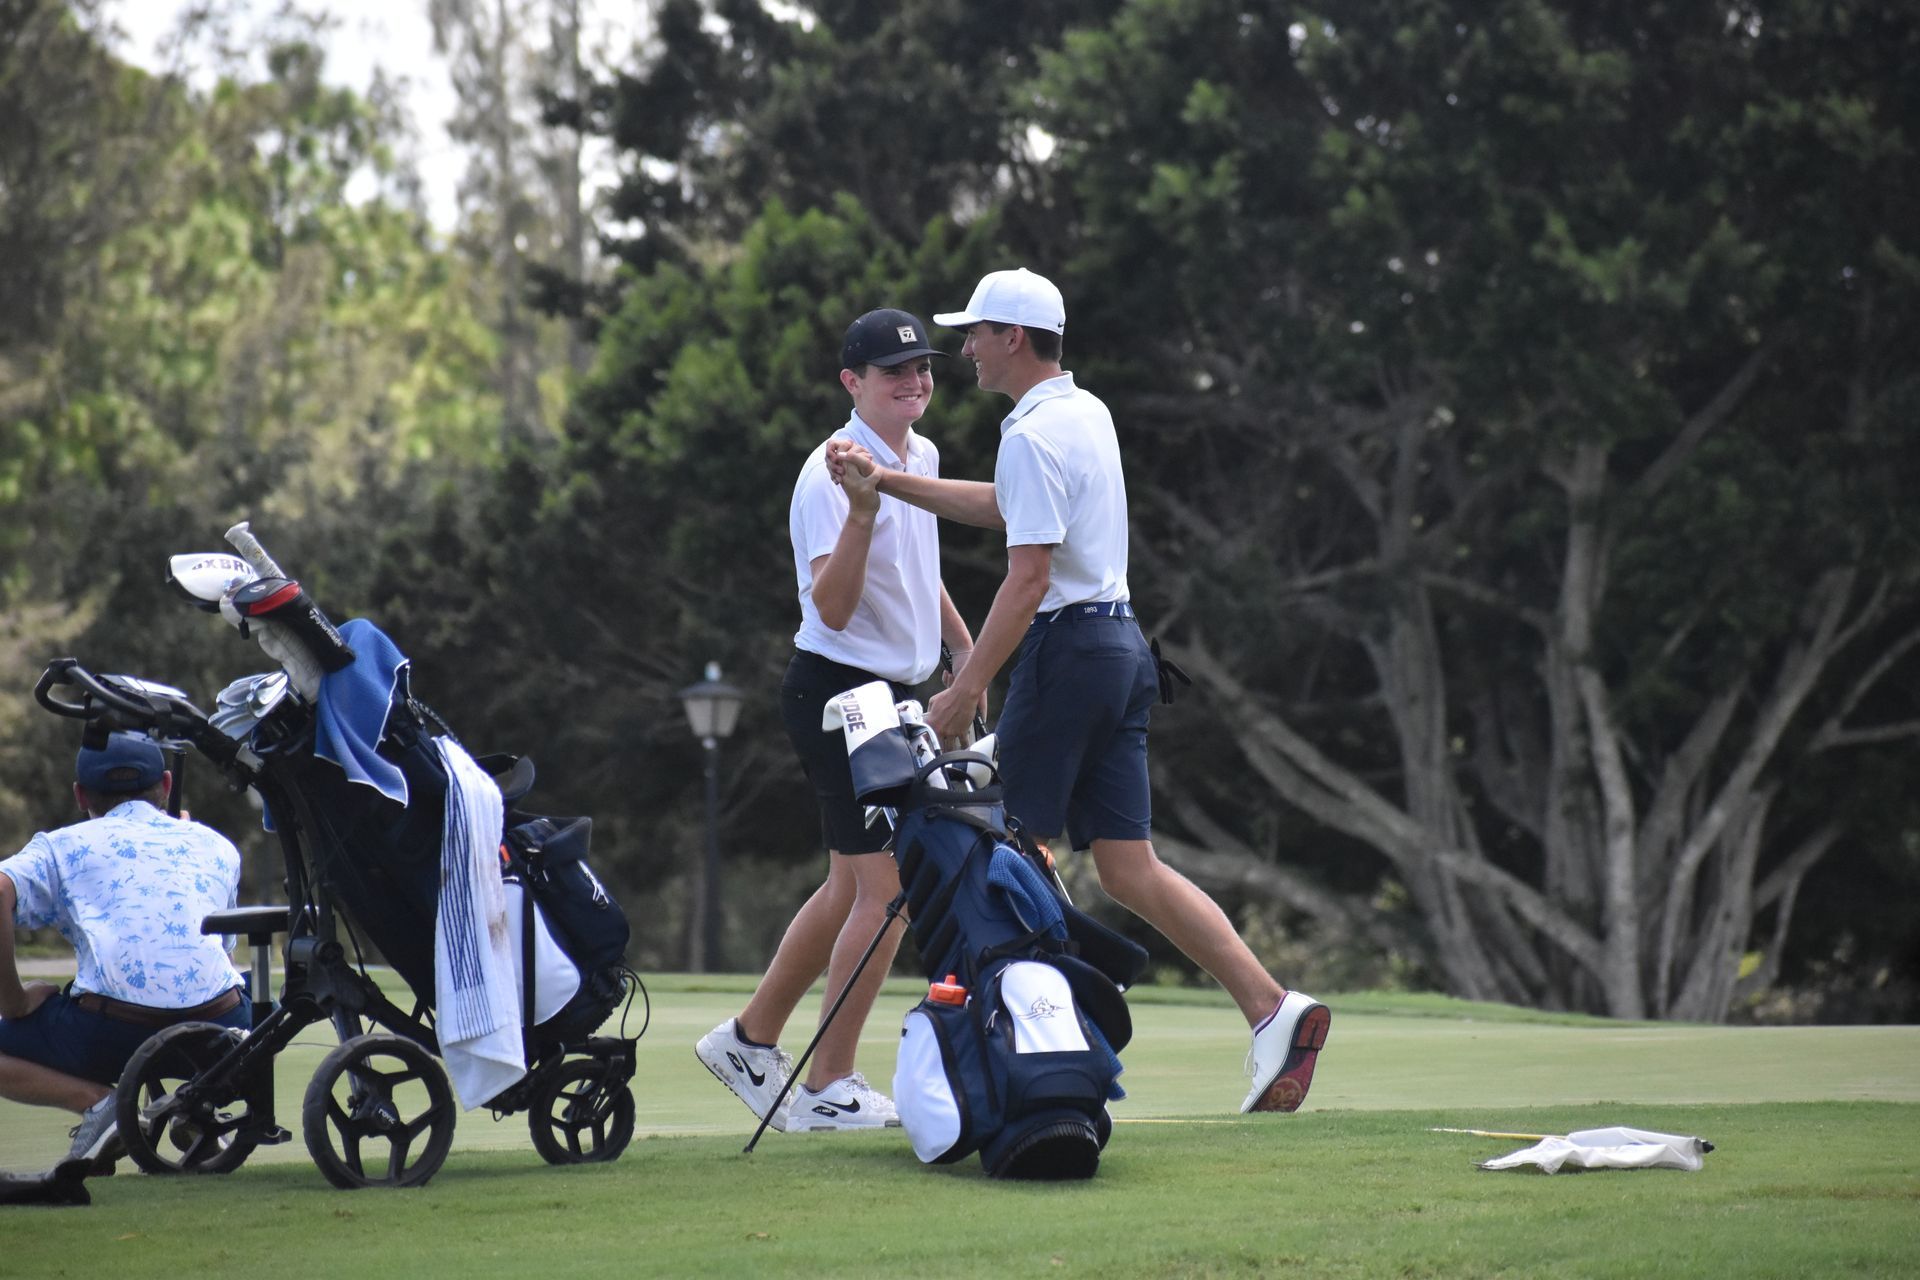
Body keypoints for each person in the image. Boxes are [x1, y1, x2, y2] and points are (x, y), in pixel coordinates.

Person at [827, 269, 1331, 1113]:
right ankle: (1273, 1007)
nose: (967, 349)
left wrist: (966, 688)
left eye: (977, 333)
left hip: (1068, 652)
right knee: (1130, 868)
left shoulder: (1030, 433)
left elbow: (1025, 580)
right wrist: (889, 482)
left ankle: (1029, 1060)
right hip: (1123, 646)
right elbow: (1008, 508)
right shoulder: (1080, 411)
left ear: (1012, 339)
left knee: (995, 858)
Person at [697, 308, 980, 1133]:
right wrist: (861, 513)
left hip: (887, 695)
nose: (915, 381)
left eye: (922, 367)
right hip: (840, 694)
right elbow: (834, 603)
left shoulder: (917, 455)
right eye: (894, 372)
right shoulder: (831, 474)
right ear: (853, 383)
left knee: (851, 884)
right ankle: (830, 1082)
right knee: (889, 893)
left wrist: (961, 647)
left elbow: (915, 572)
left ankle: (749, 1040)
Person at [0, 731, 250, 1168]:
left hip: (111, 1037)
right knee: (252, 998)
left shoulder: (61, 847)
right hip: (219, 1035)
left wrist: (15, 1001)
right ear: (167, 786)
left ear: (80, 795)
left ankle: (99, 1105)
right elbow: (219, 956)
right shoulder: (216, 845)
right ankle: (199, 1100)